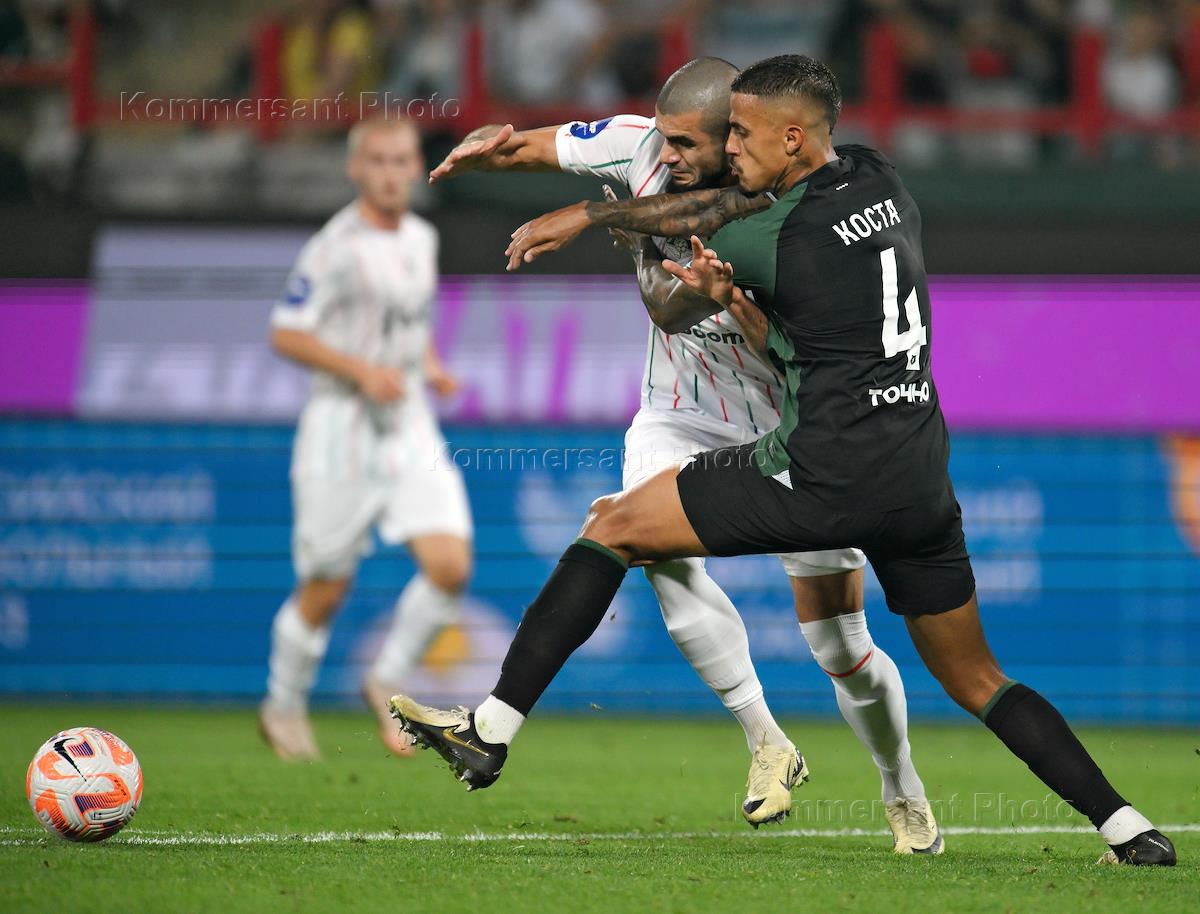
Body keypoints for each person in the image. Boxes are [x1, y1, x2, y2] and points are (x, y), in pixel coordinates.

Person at [393, 55, 1176, 867]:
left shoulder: (772, 237)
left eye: (742, 133)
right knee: (980, 679)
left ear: (794, 138)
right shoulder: (880, 180)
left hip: (820, 471)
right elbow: (745, 243)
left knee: (614, 529)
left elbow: (679, 284)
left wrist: (593, 218)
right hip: (917, 476)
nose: (733, 147)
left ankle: (491, 731)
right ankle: (1128, 828)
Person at [409, 58, 940, 851]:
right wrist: (490, 145)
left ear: (738, 136)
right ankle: (767, 741)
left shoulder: (778, 198)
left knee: (840, 643)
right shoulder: (642, 145)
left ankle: (902, 789)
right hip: (678, 413)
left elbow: (668, 303)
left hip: (792, 425)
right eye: (667, 138)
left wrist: (612, 227)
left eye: (691, 143)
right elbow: (542, 147)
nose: (671, 153)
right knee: (648, 544)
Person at [260, 117, 471, 761]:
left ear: (415, 167)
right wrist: (360, 371)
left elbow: (409, 321)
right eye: (376, 160)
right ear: (355, 169)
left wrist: (429, 365)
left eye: (400, 160)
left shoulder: (422, 237)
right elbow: (286, 331)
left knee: (450, 565)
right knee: (328, 583)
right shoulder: (334, 247)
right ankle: (283, 705)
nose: (389, 172)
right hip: (341, 425)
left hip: (406, 420)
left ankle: (385, 680)